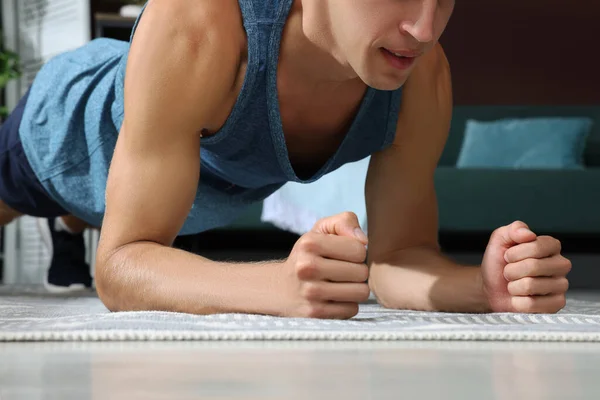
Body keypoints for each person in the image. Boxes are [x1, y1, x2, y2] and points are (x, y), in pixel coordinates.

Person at [0, 0, 571, 318]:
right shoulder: (201, 23)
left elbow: (401, 258)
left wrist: (482, 288)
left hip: (181, 183)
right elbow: (121, 268)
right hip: (63, 136)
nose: (422, 28)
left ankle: (75, 226)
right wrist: (279, 287)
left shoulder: (422, 74)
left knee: (133, 201)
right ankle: (72, 218)